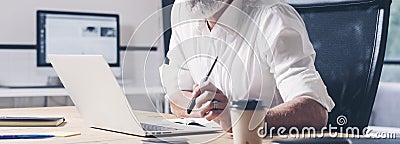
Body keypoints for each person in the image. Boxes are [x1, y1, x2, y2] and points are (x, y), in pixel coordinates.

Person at [160, 0, 335, 132]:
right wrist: (212, 111)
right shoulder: (183, 9)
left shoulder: (273, 16)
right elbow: (176, 97)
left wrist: (241, 120)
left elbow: (315, 111)